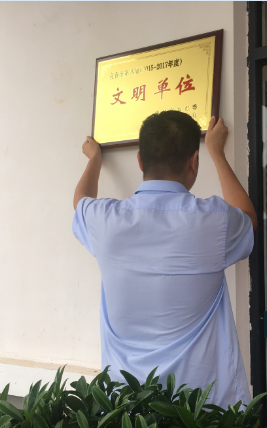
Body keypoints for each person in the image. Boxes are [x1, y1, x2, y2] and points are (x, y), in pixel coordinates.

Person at [72, 111, 257, 407]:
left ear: (140, 161)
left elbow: (80, 201)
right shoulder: (213, 220)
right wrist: (217, 153)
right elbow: (248, 218)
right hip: (199, 406)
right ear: (194, 162)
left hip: (124, 403)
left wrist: (94, 159)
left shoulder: (104, 219)